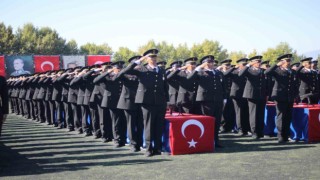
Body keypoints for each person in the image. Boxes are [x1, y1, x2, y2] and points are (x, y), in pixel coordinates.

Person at [120, 49, 168, 157]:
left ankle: (158, 148)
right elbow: (125, 71)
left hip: (160, 101)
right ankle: (149, 148)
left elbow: (165, 86)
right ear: (146, 58)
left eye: (154, 57)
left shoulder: (161, 70)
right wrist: (138, 61)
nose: (153, 59)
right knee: (149, 125)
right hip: (147, 101)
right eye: (150, 57)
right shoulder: (141, 69)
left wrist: (167, 100)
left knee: (158, 126)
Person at [189, 55, 224, 147]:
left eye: (211, 62)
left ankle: (216, 140)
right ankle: (206, 141)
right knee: (208, 121)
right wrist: (199, 68)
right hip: (206, 100)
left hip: (218, 100)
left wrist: (224, 98)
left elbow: (222, 86)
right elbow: (189, 78)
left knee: (217, 121)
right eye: (208, 62)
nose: (210, 64)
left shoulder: (218, 72)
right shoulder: (200, 72)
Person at [265, 54, 298, 143]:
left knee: (288, 117)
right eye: (286, 60)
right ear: (282, 61)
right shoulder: (277, 70)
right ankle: (280, 136)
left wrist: (295, 96)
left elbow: (295, 85)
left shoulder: (292, 71)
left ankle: (286, 136)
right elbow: (266, 72)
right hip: (279, 96)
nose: (288, 62)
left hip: (289, 97)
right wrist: (276, 65)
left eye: (289, 60)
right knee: (281, 116)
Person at [239, 55, 267, 140]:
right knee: (253, 114)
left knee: (260, 114)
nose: (259, 63)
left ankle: (260, 132)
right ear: (253, 62)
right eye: (257, 62)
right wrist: (248, 65)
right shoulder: (249, 70)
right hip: (251, 94)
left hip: (261, 94)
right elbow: (240, 74)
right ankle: (254, 132)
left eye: (260, 62)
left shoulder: (263, 71)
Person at [223, 58, 250, 136]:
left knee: (245, 112)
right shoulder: (234, 71)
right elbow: (225, 74)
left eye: (246, 64)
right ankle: (240, 129)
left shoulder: (247, 71)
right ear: (239, 65)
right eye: (243, 64)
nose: (245, 66)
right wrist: (233, 67)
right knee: (239, 112)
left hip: (246, 94)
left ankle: (246, 129)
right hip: (237, 94)